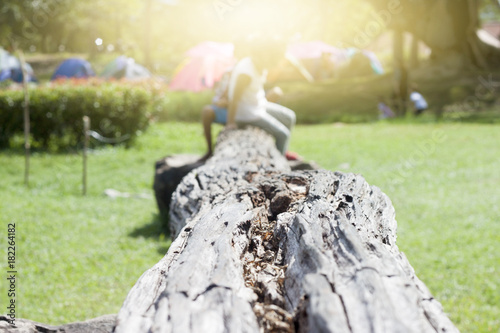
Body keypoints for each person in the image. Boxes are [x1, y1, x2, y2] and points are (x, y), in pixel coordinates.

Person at [226, 49, 296, 156]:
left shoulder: (258, 64)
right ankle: (280, 164)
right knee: (283, 135)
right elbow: (235, 98)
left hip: (258, 105)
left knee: (289, 117)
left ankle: (282, 149)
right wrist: (231, 122)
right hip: (247, 113)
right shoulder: (245, 74)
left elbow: (268, 79)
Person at [200, 70, 232, 161]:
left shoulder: (243, 74)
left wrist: (229, 103)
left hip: (237, 110)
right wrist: (219, 101)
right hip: (223, 109)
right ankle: (209, 151)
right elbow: (217, 96)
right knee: (206, 111)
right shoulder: (227, 73)